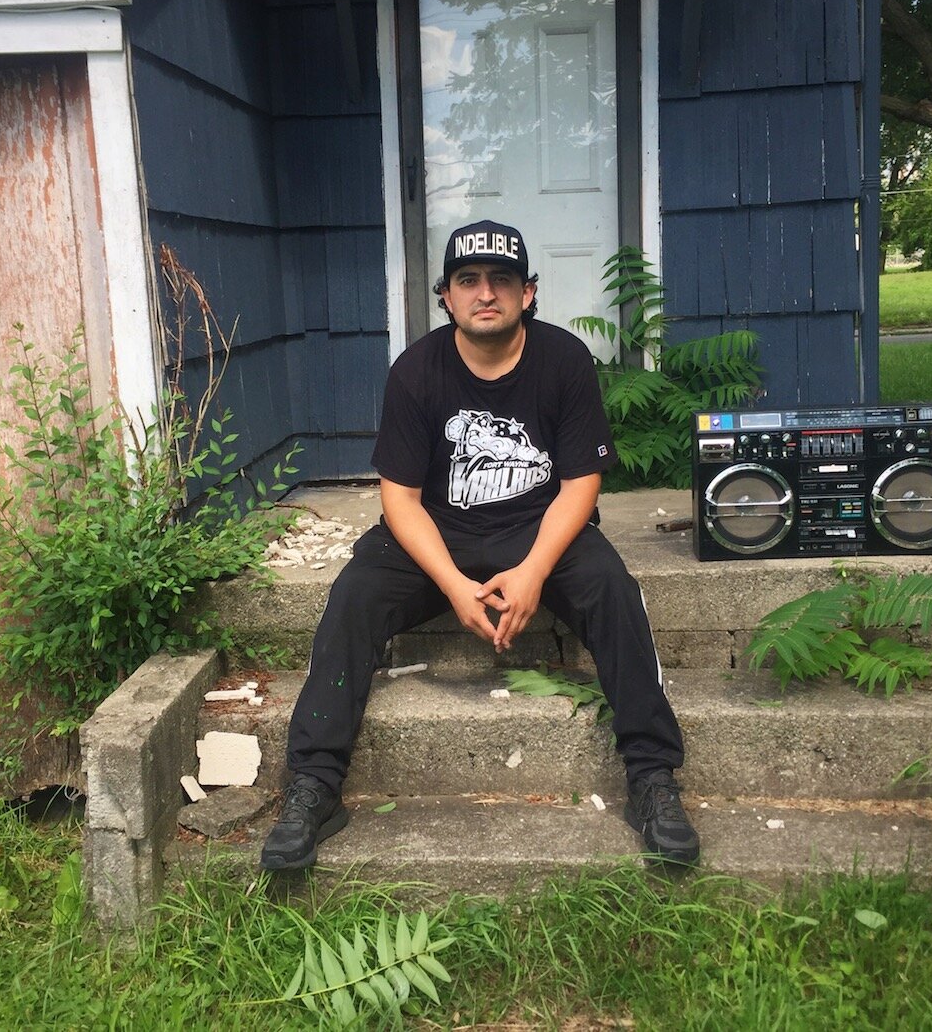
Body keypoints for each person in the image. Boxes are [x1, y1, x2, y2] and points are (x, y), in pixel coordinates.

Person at [259, 220, 698, 870]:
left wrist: (533, 570)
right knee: (355, 591)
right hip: (439, 532)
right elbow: (400, 500)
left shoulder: (565, 360)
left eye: (501, 279)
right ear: (446, 295)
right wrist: (452, 585)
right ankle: (314, 784)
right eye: (468, 280)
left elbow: (581, 483)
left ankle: (653, 776)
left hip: (541, 526)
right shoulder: (416, 371)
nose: (485, 293)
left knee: (612, 587)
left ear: (528, 293)